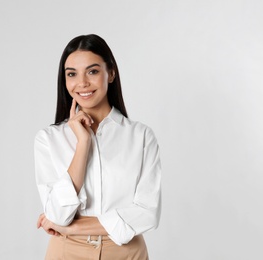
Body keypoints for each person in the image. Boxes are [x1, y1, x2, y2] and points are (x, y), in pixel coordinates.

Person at [34, 34, 161, 259]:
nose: (82, 83)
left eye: (92, 71)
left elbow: (147, 213)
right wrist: (83, 144)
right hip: (66, 252)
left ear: (111, 73)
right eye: (72, 74)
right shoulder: (48, 139)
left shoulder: (141, 137)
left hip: (126, 253)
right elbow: (58, 214)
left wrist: (71, 228)